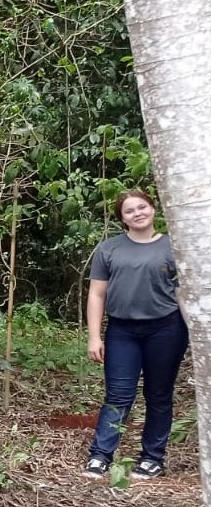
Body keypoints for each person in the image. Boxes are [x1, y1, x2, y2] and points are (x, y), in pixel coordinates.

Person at [82, 190, 187, 481]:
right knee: (118, 394)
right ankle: (100, 455)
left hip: (166, 329)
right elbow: (96, 293)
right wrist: (94, 336)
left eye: (142, 207)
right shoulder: (109, 249)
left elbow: (183, 292)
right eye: (129, 211)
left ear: (153, 209)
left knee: (159, 394)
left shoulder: (173, 246)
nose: (137, 213)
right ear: (122, 218)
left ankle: (152, 458)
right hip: (122, 331)